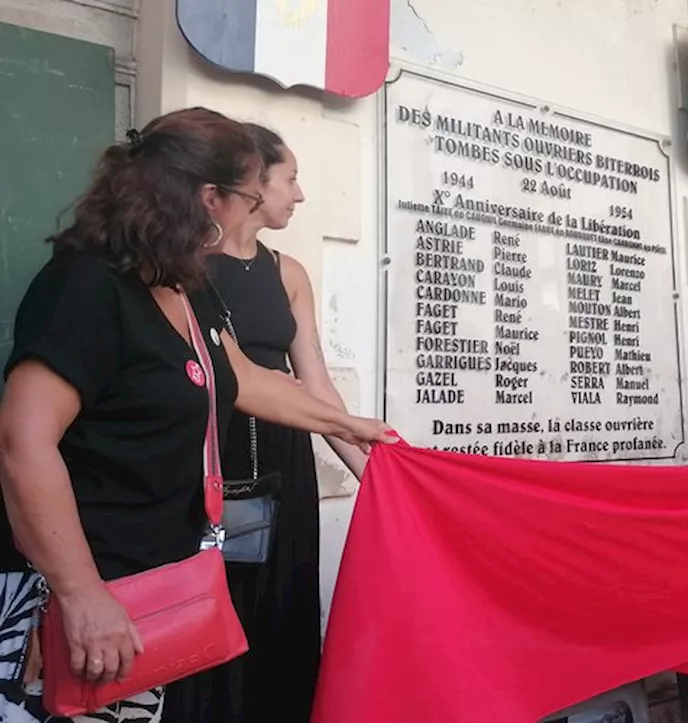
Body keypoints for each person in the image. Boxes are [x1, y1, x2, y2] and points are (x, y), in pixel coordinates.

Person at [0, 107, 393, 723]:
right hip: (81, 594)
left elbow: (243, 379)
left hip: (149, 586)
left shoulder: (185, 285)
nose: (253, 209)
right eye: (247, 195)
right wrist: (81, 594)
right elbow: (23, 444)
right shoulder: (86, 287)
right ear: (211, 198)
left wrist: (351, 427)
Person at [160, 124, 365, 723]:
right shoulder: (183, 265)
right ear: (251, 183)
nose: (299, 195)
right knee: (204, 624)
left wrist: (371, 470)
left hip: (285, 460)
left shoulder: (288, 271)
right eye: (291, 178)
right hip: (211, 460)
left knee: (281, 616)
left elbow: (317, 386)